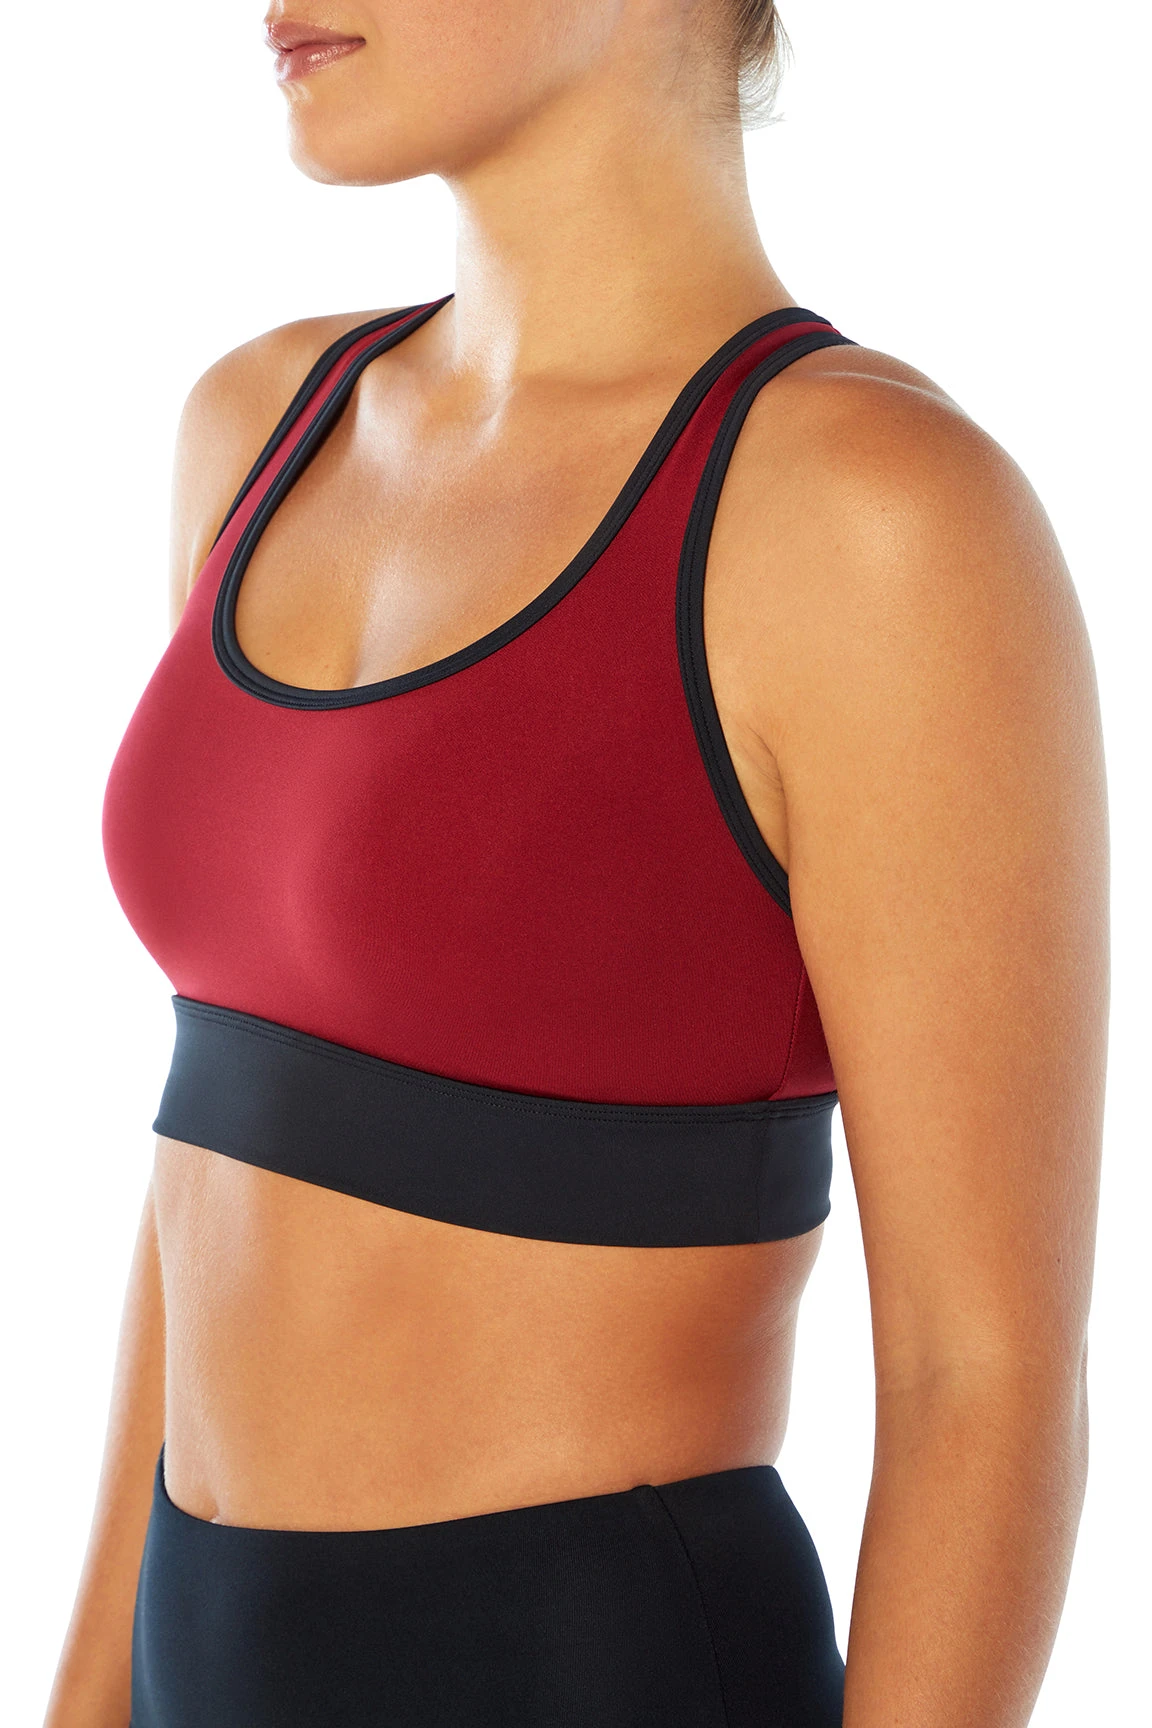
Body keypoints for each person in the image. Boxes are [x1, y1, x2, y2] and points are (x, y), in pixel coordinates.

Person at [45, 4, 1108, 1725]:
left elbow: (978, 1382)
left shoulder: (873, 517)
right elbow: (212, 1173)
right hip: (199, 1656)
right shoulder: (262, 427)